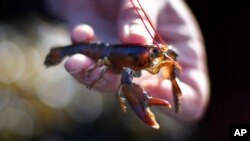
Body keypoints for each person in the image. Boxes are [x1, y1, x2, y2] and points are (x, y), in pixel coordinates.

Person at [46, 0, 210, 122]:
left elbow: (170, 54)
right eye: (153, 51)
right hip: (99, 53)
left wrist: (172, 77)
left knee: (167, 53)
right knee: (114, 71)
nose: (156, 53)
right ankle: (59, 53)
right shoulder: (130, 60)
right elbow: (121, 74)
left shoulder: (148, 55)